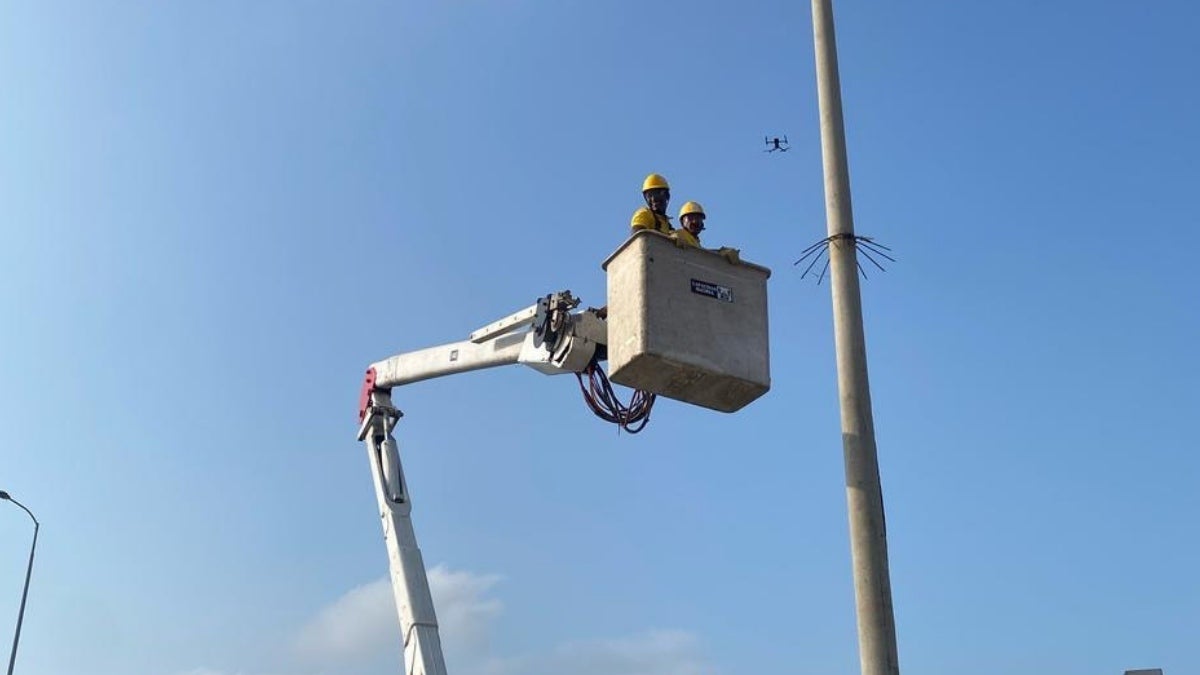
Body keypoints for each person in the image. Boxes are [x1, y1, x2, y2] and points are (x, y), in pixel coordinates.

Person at [671, 200, 740, 263]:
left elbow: (700, 254)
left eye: (698, 218)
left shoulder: (695, 242)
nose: (695, 221)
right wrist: (672, 238)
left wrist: (721, 252)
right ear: (682, 222)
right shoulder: (679, 234)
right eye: (691, 218)